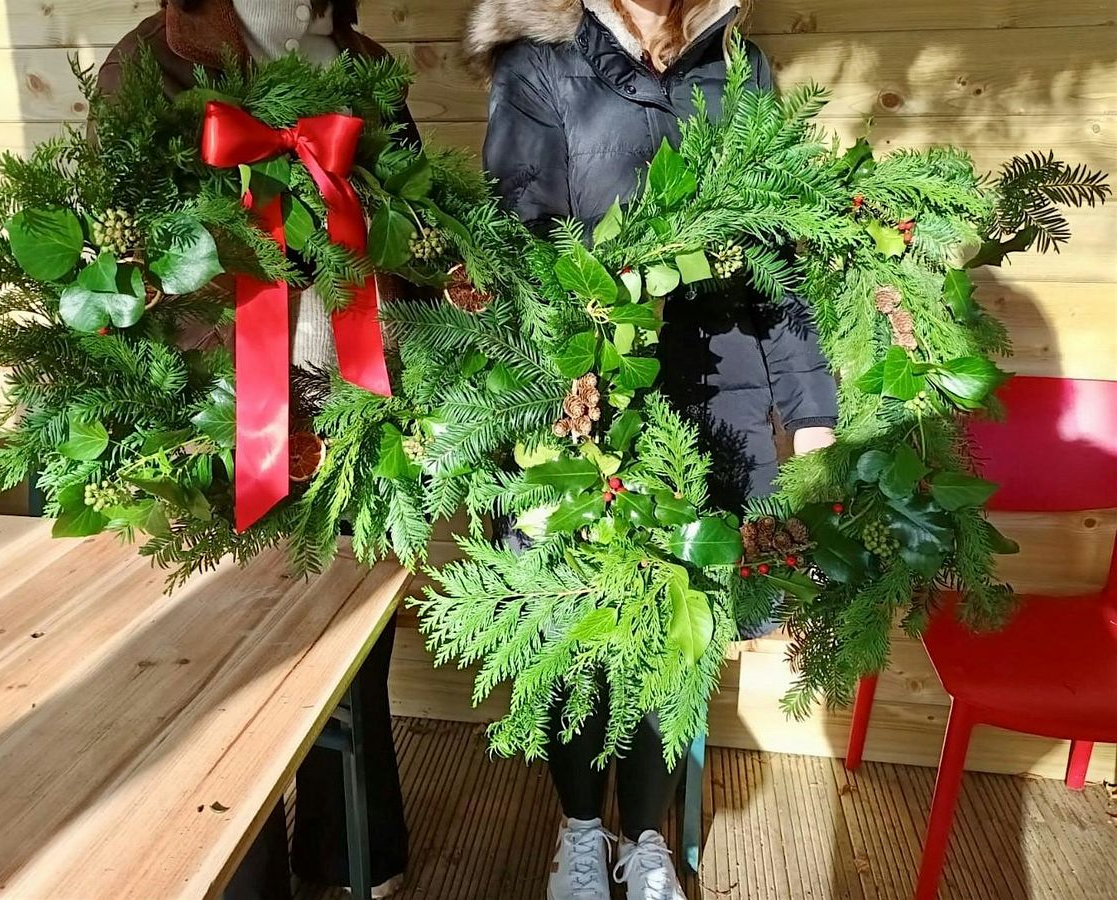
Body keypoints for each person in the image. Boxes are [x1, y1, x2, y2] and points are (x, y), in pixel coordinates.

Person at [467, 2, 838, 898]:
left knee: (674, 640)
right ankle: (581, 836)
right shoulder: (541, 69)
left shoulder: (742, 72)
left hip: (717, 408)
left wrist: (812, 411)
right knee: (573, 637)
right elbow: (519, 257)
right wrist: (552, 413)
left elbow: (775, 266)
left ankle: (647, 843)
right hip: (580, 404)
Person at [99, 3, 412, 897]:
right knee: (228, 679)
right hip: (216, 417)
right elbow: (114, 268)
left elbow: (418, 236)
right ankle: (240, 876)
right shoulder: (148, 62)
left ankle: (353, 854)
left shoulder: (363, 60)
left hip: (351, 408)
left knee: (353, 651)